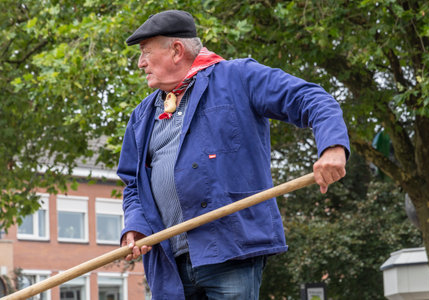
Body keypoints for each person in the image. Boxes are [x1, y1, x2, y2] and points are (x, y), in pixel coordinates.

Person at [118, 9, 349, 300]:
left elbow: (313, 99)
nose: (140, 63)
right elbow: (133, 183)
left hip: (231, 253)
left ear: (176, 50)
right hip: (168, 266)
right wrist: (136, 226)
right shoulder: (142, 115)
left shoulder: (238, 77)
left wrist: (332, 147)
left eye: (145, 53)